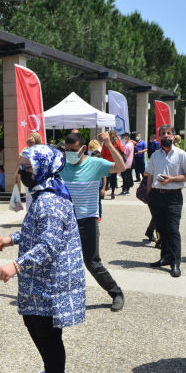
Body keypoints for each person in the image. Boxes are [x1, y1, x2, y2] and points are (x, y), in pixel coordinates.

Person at [0, 144, 85, 373]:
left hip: (50, 280)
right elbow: (37, 232)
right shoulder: (46, 191)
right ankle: (53, 372)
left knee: (46, 332)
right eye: (23, 166)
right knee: (39, 327)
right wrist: (13, 238)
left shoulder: (49, 200)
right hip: (44, 278)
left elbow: (48, 245)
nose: (23, 172)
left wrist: (16, 265)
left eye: (29, 167)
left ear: (44, 168)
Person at [61, 132, 126, 310]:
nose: (69, 153)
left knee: (92, 263)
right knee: (63, 261)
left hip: (87, 221)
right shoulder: (62, 165)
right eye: (66, 150)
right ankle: (63, 297)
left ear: (83, 149)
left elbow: (121, 167)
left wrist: (109, 145)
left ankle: (116, 292)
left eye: (73, 150)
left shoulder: (95, 164)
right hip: (66, 222)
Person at [144, 124, 186, 277]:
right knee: (161, 229)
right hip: (156, 196)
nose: (166, 136)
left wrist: (172, 179)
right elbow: (150, 176)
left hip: (173, 196)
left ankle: (175, 262)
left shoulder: (181, 154)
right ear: (159, 137)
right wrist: (148, 195)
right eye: (163, 134)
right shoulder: (155, 155)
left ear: (173, 136)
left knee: (173, 230)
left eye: (168, 133)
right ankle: (164, 257)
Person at [101, 130, 125, 200]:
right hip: (115, 163)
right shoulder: (117, 143)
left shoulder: (105, 143)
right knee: (113, 178)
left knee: (106, 178)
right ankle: (112, 192)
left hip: (107, 163)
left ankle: (103, 191)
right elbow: (123, 151)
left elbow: (102, 154)